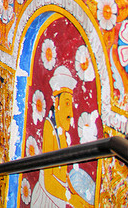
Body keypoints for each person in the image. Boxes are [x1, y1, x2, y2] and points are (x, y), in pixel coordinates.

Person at [31, 66, 92, 207]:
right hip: (47, 197)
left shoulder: (62, 132)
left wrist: (78, 198)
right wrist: (72, 199)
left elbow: (62, 172)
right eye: (66, 103)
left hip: (58, 195)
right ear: (56, 102)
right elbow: (49, 180)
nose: (70, 112)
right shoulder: (49, 127)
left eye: (70, 104)